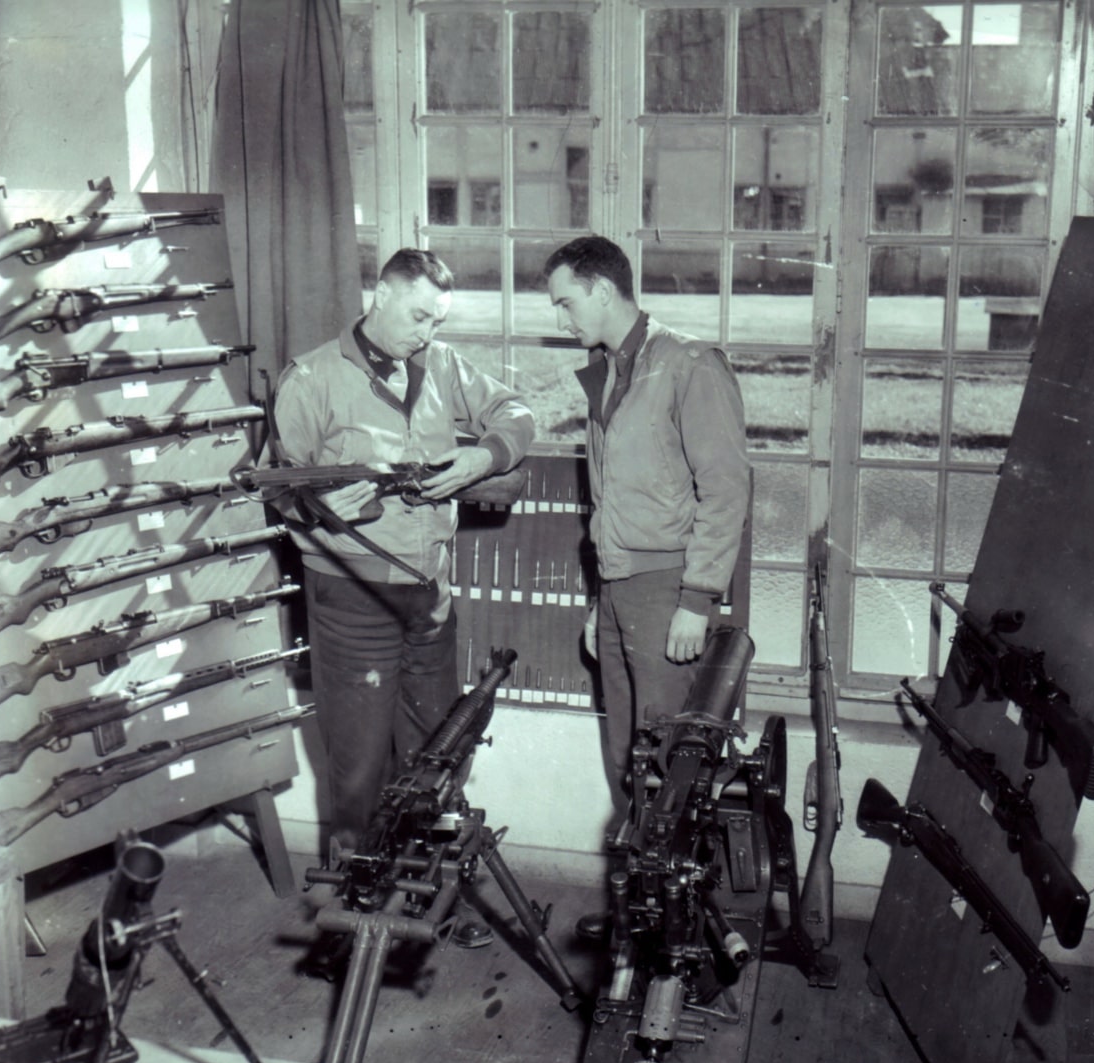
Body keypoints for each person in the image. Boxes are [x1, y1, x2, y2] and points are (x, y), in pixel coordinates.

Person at [271, 247, 534, 852]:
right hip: (351, 594)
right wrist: (318, 507)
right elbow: (281, 487)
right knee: (359, 763)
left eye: (437, 321)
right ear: (380, 295)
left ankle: (427, 892)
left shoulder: (440, 365)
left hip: (429, 591)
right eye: (419, 316)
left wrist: (483, 455)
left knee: (438, 747)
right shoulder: (310, 378)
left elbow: (515, 410)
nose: (427, 333)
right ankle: (354, 904)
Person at [543, 235, 750, 830]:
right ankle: (641, 907)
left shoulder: (689, 363)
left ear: (603, 291)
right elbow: (615, 497)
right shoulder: (610, 371)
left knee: (669, 770)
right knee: (625, 761)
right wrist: (602, 599)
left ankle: (677, 914)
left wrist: (697, 599)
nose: (559, 318)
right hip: (620, 591)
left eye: (565, 303)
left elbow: (726, 490)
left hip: (669, 592)